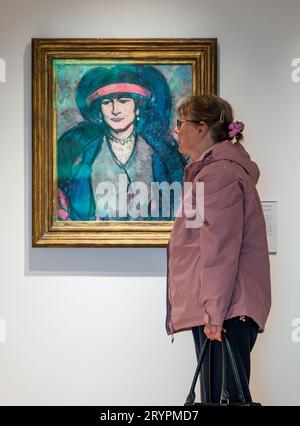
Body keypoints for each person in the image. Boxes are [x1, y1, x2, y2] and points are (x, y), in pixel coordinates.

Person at [165, 94, 271, 403]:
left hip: (223, 310)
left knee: (222, 397)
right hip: (227, 308)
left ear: (201, 128)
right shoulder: (216, 172)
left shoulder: (217, 175)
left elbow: (219, 252)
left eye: (180, 123)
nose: (176, 131)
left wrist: (214, 313)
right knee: (224, 395)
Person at [57, 65, 186, 221]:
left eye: (123, 101)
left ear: (138, 108)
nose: (115, 110)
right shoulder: (80, 152)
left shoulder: (162, 154)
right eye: (106, 102)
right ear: (99, 110)